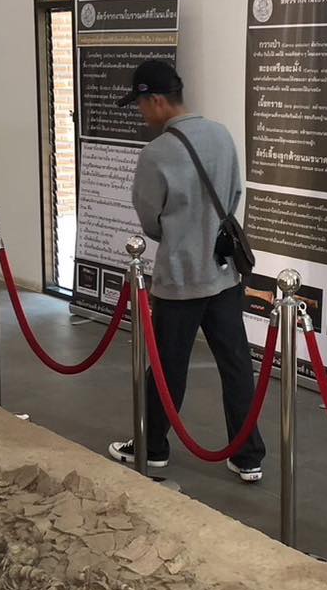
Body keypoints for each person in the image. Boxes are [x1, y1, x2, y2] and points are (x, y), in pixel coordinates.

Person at [107, 59, 266, 482]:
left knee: (167, 367)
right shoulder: (221, 135)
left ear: (157, 100)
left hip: (179, 278)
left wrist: (181, 234)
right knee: (236, 365)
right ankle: (248, 455)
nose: (141, 112)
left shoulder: (157, 153)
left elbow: (149, 220)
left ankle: (152, 448)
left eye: (140, 103)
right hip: (223, 272)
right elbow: (234, 195)